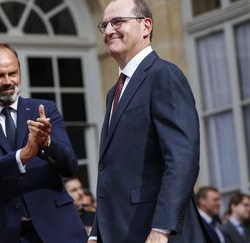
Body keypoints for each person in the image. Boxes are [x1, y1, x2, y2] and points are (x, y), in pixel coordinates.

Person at [90, 0, 209, 242]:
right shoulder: (114, 92)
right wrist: (96, 234)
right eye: (105, 25)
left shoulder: (164, 75)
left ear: (146, 26)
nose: (110, 30)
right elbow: (112, 170)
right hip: (122, 230)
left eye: (118, 21)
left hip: (157, 231)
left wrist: (162, 228)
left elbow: (181, 158)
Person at [0, 43, 87, 243]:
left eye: (13, 73)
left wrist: (48, 143)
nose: (8, 81)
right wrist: (21, 156)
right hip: (4, 231)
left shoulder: (45, 110)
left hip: (58, 228)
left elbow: (70, 166)